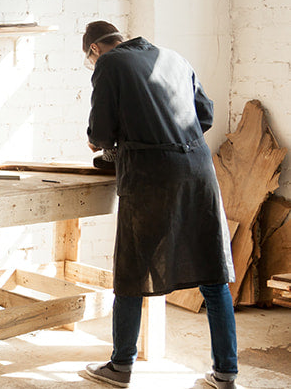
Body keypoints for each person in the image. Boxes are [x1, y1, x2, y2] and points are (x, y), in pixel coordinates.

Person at [78, 21, 239, 389]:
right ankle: (225, 373)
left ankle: (121, 366)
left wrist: (102, 142)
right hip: (198, 170)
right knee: (213, 273)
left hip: (151, 176)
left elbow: (100, 133)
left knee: (132, 269)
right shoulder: (174, 58)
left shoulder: (109, 64)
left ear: (95, 50)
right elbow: (205, 115)